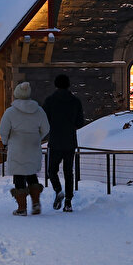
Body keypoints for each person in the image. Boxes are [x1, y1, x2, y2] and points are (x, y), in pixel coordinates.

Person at [0, 81, 50, 216]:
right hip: (33, 146)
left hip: (17, 147)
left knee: (19, 176)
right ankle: (36, 203)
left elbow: (3, 130)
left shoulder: (10, 112)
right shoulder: (39, 111)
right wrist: (36, 137)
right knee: (32, 174)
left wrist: (5, 142)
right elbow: (46, 128)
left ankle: (22, 208)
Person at [43, 74, 85, 212]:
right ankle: (68, 201)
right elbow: (80, 122)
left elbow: (44, 121)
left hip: (55, 141)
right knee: (68, 172)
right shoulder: (75, 101)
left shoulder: (50, 101)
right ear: (68, 85)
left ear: (56, 84)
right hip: (70, 141)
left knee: (51, 171)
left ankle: (58, 190)